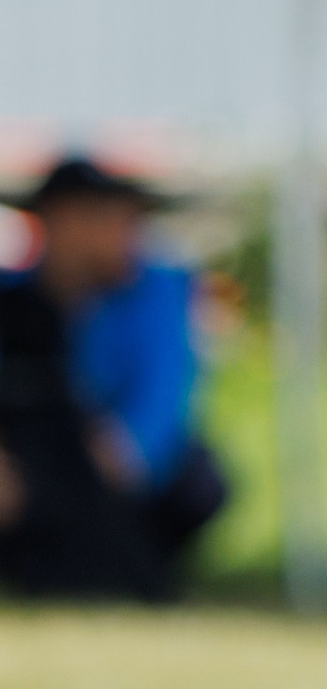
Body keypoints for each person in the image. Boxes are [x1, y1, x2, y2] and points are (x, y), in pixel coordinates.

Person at [0, 154, 227, 603]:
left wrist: (92, 469)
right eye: (111, 219)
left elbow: (159, 409)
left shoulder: (158, 291)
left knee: (197, 482)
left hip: (110, 474)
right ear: (62, 221)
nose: (130, 235)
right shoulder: (14, 303)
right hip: (25, 466)